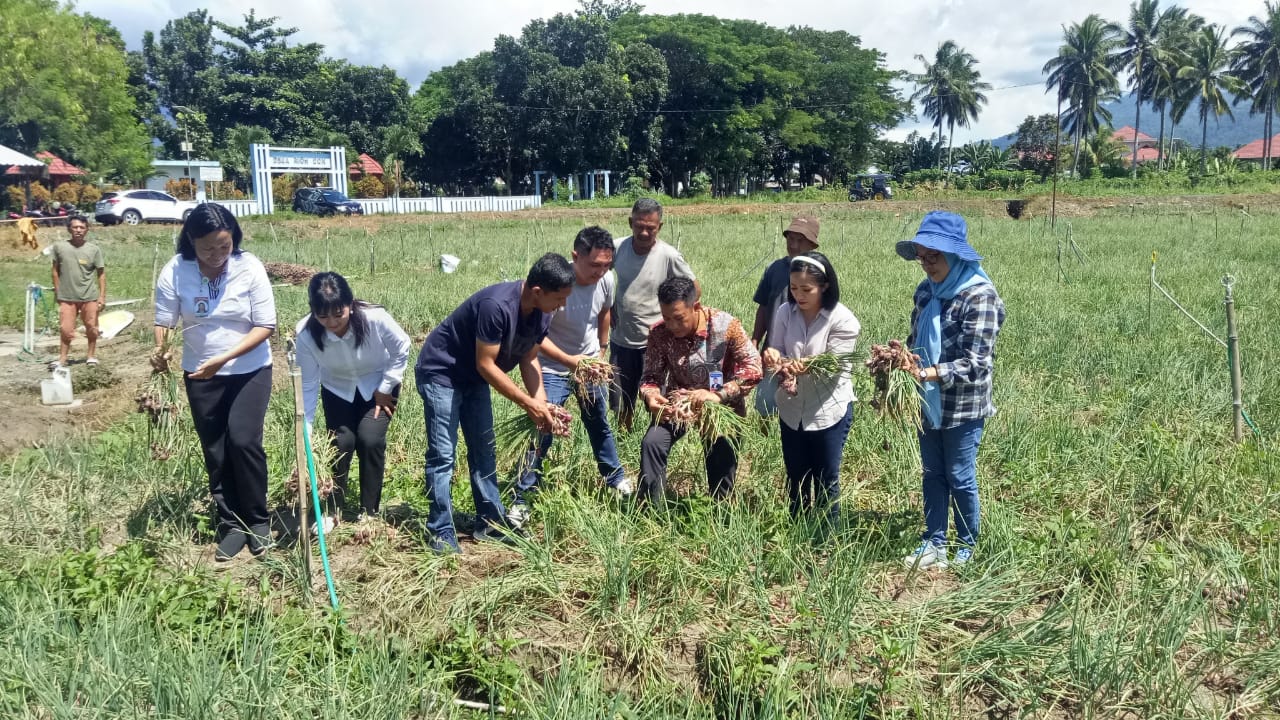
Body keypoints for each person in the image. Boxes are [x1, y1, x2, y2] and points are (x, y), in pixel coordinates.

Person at [415, 253, 574, 554]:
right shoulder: (497, 306)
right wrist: (528, 403)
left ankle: (489, 522)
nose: (561, 306)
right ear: (538, 291)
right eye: (559, 299)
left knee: (484, 449)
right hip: (442, 373)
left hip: (473, 379)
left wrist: (542, 406)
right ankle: (440, 529)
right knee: (443, 455)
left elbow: (529, 358)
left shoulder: (543, 312)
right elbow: (486, 364)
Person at [152, 204, 277, 562]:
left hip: (249, 370)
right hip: (199, 374)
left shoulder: (248, 266)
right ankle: (232, 523)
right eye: (208, 248)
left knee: (243, 440)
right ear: (191, 241)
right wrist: (160, 351)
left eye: (225, 246)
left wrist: (223, 358)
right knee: (217, 448)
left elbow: (265, 325)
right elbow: (164, 320)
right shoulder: (176, 271)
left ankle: (258, 520)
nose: (218, 255)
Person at [896, 211, 1005, 569]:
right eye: (922, 257)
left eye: (935, 256)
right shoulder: (926, 292)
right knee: (932, 473)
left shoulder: (979, 297)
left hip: (962, 406)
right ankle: (934, 540)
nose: (927, 265)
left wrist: (927, 373)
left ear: (957, 256)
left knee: (959, 474)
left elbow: (977, 363)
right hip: (927, 401)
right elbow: (917, 341)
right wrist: (901, 361)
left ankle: (967, 543)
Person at [508, 228, 631, 527]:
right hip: (552, 367)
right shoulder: (557, 284)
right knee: (543, 427)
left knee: (598, 422)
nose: (601, 272)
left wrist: (600, 352)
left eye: (606, 265)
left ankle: (615, 478)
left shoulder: (607, 281)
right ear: (575, 256)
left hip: (588, 365)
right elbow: (538, 337)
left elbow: (604, 314)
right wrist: (571, 362)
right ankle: (522, 495)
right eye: (594, 265)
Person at [295, 272, 411, 532]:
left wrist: (385, 386)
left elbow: (401, 346)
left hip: (378, 386)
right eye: (323, 316)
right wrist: (307, 429)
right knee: (340, 442)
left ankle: (369, 511)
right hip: (337, 389)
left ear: (350, 304)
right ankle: (333, 510)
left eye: (339, 313)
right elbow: (309, 383)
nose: (332, 322)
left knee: (370, 439)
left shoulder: (374, 318)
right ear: (313, 311)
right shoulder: (305, 335)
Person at [637, 277, 762, 504]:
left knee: (721, 455)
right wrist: (652, 397)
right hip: (678, 404)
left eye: (678, 319)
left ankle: (719, 513)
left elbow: (753, 368)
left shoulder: (726, 326)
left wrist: (717, 395)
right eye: (666, 318)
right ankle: (650, 510)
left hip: (722, 406)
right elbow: (650, 377)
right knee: (652, 443)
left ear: (695, 307)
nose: (672, 326)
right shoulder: (659, 333)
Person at [761, 251, 859, 526]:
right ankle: (797, 528)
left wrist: (800, 364)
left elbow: (834, 365)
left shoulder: (843, 320)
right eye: (793, 288)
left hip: (828, 409)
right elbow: (777, 348)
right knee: (796, 474)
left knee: (826, 476)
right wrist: (772, 356)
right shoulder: (784, 312)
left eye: (807, 289)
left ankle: (827, 535)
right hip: (791, 408)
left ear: (824, 286)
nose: (799, 295)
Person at [610, 198, 698, 430]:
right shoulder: (617, 248)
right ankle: (623, 439)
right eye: (639, 225)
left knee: (656, 399)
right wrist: (607, 306)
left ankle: (655, 442)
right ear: (630, 223)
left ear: (660, 226)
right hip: (621, 339)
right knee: (621, 401)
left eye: (651, 227)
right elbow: (600, 277)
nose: (644, 232)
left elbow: (694, 288)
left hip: (654, 343)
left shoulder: (668, 255)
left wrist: (676, 321)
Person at [750, 215, 820, 416]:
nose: (794, 245)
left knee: (801, 410)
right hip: (773, 353)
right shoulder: (774, 269)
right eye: (791, 239)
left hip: (804, 359)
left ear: (813, 245)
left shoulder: (819, 274)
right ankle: (766, 444)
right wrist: (755, 340)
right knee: (766, 409)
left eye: (800, 240)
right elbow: (764, 306)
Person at [49, 215, 105, 369]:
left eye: (82, 227)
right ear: (69, 229)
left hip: (89, 296)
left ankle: (91, 356)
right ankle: (62, 359)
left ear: (87, 229)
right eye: (75, 227)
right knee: (66, 329)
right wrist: (58, 291)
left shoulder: (94, 250)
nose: (78, 230)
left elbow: (101, 273)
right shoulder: (60, 247)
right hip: (67, 297)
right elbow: (54, 271)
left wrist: (101, 296)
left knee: (92, 328)